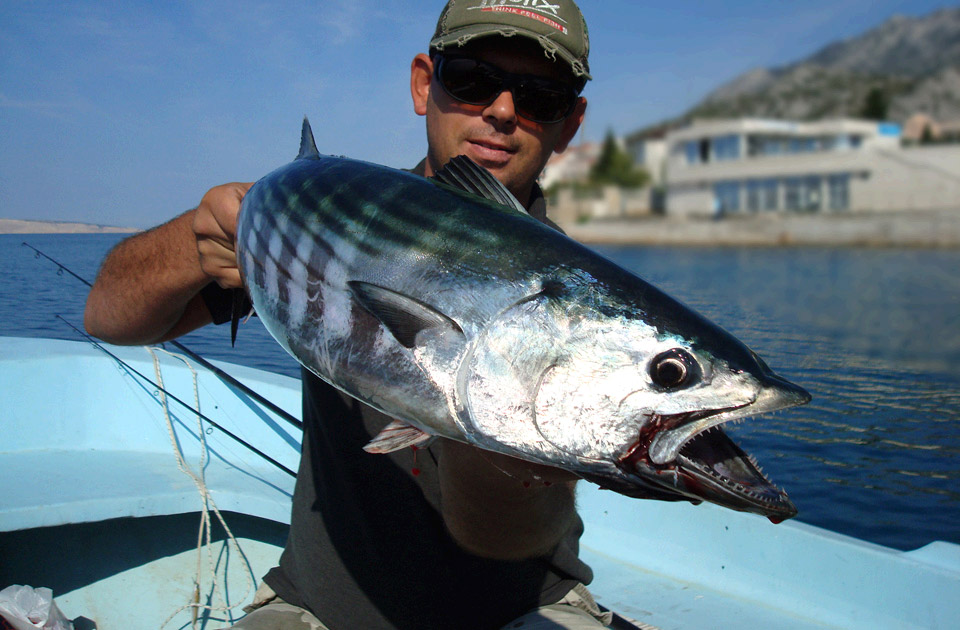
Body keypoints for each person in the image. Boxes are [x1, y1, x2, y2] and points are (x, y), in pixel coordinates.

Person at [85, 2, 611, 628]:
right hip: (317, 606)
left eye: (540, 96)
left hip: (524, 607)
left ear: (571, 122)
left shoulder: (587, 310)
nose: (500, 111)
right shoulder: (321, 222)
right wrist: (196, 242)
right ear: (424, 83)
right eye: (471, 78)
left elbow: (502, 533)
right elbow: (107, 317)